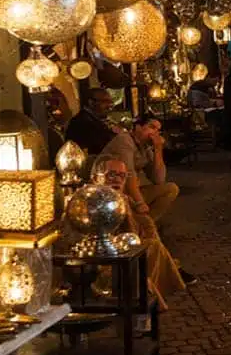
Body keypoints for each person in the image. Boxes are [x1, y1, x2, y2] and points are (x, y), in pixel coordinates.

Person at [92, 156, 185, 309]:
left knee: (152, 247)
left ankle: (146, 299)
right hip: (101, 262)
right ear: (96, 178)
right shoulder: (92, 203)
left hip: (126, 255)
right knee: (151, 249)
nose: (117, 180)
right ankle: (146, 304)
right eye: (111, 175)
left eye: (122, 176)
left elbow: (139, 232)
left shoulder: (125, 200)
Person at [100, 114, 179, 227]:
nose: (155, 133)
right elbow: (128, 174)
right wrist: (139, 203)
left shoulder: (145, 147)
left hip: (131, 190)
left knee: (170, 189)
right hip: (113, 192)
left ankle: (142, 226)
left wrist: (158, 149)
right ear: (138, 127)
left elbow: (159, 179)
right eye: (152, 127)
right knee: (139, 201)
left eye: (158, 130)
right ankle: (141, 227)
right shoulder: (124, 140)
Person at [65, 87, 116, 156]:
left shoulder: (95, 120)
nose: (109, 106)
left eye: (110, 102)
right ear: (91, 102)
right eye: (104, 101)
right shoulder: (81, 122)